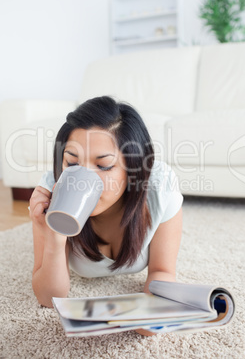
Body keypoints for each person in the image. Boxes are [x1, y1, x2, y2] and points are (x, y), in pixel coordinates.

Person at [29, 96, 183, 314]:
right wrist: (54, 234)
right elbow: (48, 298)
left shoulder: (159, 187)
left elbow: (162, 271)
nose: (81, 179)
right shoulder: (50, 192)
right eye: (72, 163)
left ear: (133, 170)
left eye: (103, 166)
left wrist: (151, 313)